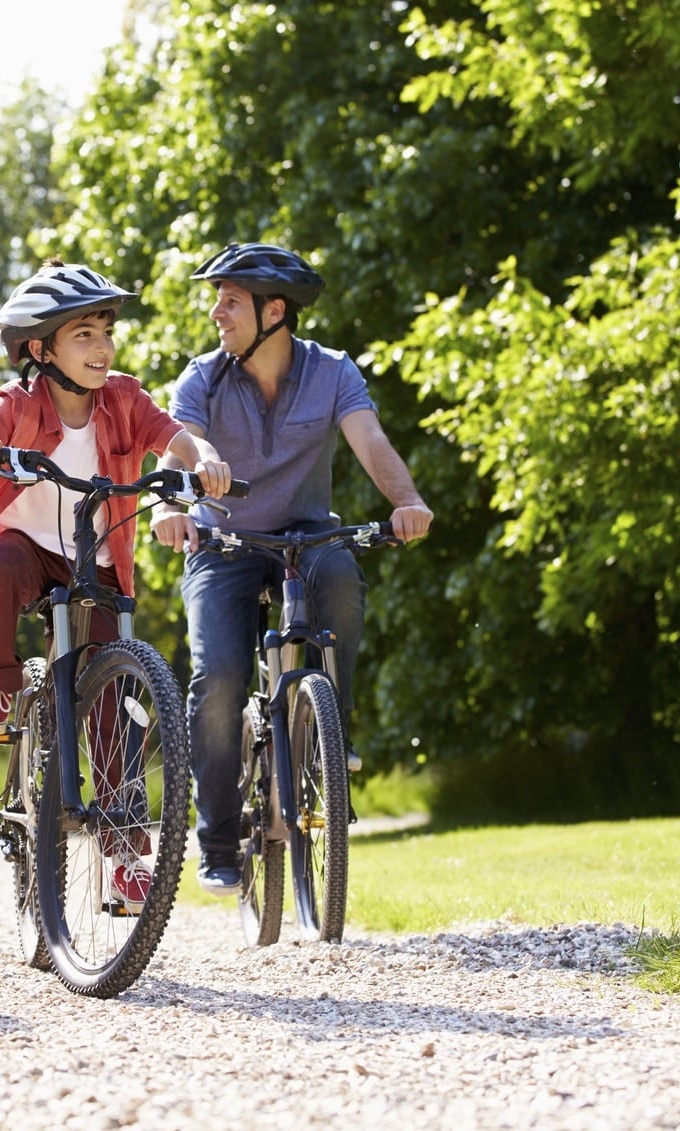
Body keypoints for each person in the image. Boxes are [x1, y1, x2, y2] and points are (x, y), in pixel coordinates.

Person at [0, 258, 232, 908]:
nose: (102, 347)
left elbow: (172, 435)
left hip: (94, 556)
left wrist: (205, 460)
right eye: (84, 334)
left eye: (105, 332)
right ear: (39, 348)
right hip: (27, 547)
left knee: (115, 698)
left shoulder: (124, 397)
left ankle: (123, 851)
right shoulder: (20, 400)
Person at [150, 242, 433, 895]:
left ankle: (330, 733)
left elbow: (370, 440)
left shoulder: (332, 371)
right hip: (222, 539)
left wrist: (407, 502)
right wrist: (171, 502)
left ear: (273, 310)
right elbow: (182, 445)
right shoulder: (201, 376)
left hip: (304, 533)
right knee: (218, 678)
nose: (216, 313)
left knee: (339, 574)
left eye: (229, 301)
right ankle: (217, 839)